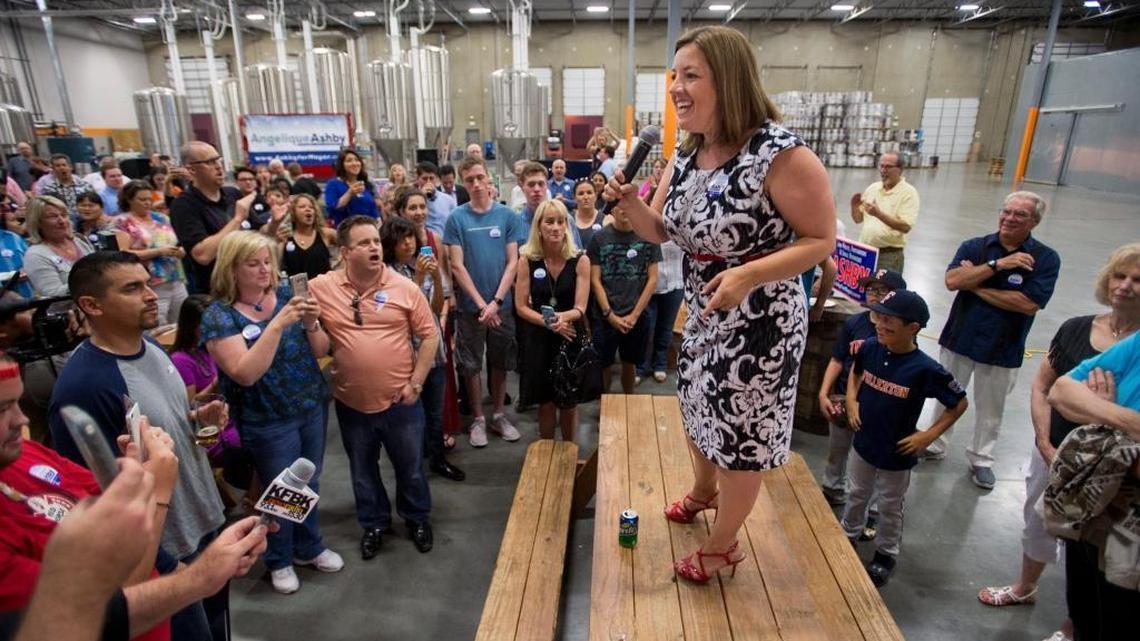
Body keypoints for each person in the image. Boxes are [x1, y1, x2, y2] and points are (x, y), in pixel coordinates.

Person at [604, 26, 836, 584]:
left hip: (760, 321)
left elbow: (821, 240)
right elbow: (660, 231)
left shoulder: (780, 155)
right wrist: (629, 203)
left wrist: (749, 274)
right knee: (697, 406)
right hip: (706, 308)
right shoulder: (688, 153)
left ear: (728, 80)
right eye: (674, 77)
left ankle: (724, 544)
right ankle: (704, 491)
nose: (677, 88)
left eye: (691, 76)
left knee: (740, 436)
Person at [2, 351, 272, 641]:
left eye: (17, 402)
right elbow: (96, 611)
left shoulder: (23, 454)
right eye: (2, 409)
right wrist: (157, 489)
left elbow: (109, 502)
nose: (23, 419)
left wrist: (135, 467)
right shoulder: (81, 385)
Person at [46, 251, 229, 639]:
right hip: (165, 554)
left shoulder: (151, 348)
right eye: (132, 288)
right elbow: (92, 497)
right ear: (91, 305)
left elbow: (165, 425)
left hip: (202, 520)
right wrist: (161, 563)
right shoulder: (84, 387)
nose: (150, 294)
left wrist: (197, 416)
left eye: (147, 283)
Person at [978, 242, 1140, 641]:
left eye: (1138, 280)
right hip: (1063, 458)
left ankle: (1070, 626)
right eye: (1121, 276)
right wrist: (1115, 420)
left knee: (1117, 596)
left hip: (1123, 496)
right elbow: (1055, 390)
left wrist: (1100, 415)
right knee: (1060, 545)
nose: (1127, 286)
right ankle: (1033, 591)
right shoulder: (1084, 331)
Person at [201, 232, 342, 594]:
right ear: (232, 269)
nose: (264, 270)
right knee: (280, 489)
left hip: (310, 404)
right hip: (267, 417)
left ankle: (309, 547)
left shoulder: (283, 294)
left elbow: (322, 349)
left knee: (309, 482)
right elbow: (245, 372)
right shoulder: (219, 316)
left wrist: (311, 322)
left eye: (267, 262)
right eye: (253, 264)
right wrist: (278, 324)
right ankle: (278, 557)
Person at [308, 216, 439, 558]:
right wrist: (309, 324)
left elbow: (430, 336)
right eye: (364, 243)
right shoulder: (321, 288)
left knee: (410, 469)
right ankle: (375, 523)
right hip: (352, 403)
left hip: (401, 401)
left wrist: (417, 383)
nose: (374, 248)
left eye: (376, 242)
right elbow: (318, 345)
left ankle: (417, 518)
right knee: (362, 473)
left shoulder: (404, 287)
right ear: (345, 252)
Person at [932, 191, 1061, 490]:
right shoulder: (976, 247)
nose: (1009, 218)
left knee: (991, 410)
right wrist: (998, 266)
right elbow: (952, 281)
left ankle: (982, 460)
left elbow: (1027, 303)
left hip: (1003, 347)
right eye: (1007, 211)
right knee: (945, 396)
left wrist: (974, 285)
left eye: (1020, 214)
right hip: (960, 339)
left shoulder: (1045, 258)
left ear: (1035, 221)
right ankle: (935, 444)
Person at [841, 290, 968, 586]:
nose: (880, 325)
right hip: (863, 441)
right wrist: (851, 400)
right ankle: (848, 534)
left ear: (913, 327)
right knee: (857, 492)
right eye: (878, 318)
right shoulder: (870, 348)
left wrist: (928, 435)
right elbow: (856, 374)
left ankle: (886, 553)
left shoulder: (925, 369)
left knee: (889, 503)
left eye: (889, 321)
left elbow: (959, 403)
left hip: (896, 452)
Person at [1047, 332, 1140, 641]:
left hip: (1132, 519)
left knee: (1121, 615)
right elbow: (1062, 391)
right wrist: (1127, 422)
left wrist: (1101, 416)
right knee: (1084, 604)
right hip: (1098, 499)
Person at [443, 157, 523, 448]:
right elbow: (457, 267)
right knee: (471, 364)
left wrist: (496, 301)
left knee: (500, 361)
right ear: (464, 183)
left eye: (480, 178)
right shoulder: (456, 219)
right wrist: (481, 305)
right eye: (469, 180)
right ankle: (478, 418)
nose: (476, 184)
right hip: (470, 310)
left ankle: (499, 414)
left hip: (502, 306)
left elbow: (513, 262)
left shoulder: (507, 217)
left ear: (489, 180)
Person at [381, 212, 464, 481]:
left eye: (411, 238)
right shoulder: (386, 274)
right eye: (401, 239)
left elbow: (436, 307)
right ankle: (413, 467)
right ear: (390, 243)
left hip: (434, 351)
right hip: (406, 356)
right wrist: (417, 280)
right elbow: (402, 314)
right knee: (410, 418)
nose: (408, 244)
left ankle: (438, 459)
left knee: (435, 413)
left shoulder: (424, 263)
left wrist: (437, 279)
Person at [816, 268, 906, 506]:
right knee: (838, 448)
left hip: (875, 405)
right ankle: (832, 487)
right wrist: (824, 393)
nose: (874, 295)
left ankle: (871, 504)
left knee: (869, 456)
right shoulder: (855, 322)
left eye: (882, 290)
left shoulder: (898, 331)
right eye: (871, 289)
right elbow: (837, 359)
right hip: (845, 398)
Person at [515, 200, 590, 442]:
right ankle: (547, 454)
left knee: (568, 402)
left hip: (569, 335)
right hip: (539, 337)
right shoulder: (527, 260)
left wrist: (559, 320)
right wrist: (549, 323)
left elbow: (580, 307)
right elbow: (521, 306)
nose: (556, 227)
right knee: (545, 403)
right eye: (550, 221)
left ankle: (570, 451)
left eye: (561, 222)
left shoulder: (580, 260)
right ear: (539, 226)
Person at [170, 294, 252, 493]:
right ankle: (255, 494)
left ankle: (259, 493)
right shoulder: (181, 359)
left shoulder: (212, 346)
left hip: (231, 414)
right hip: (211, 428)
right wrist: (217, 383)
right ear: (192, 327)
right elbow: (189, 405)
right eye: (206, 326)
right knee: (256, 446)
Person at [170, 142, 265, 295]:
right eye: (209, 162)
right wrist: (237, 219)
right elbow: (202, 255)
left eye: (218, 159)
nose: (218, 166)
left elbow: (261, 230)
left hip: (249, 287)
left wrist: (276, 221)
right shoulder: (183, 205)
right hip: (217, 293)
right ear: (191, 169)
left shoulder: (232, 194)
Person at [587, 202, 660, 393]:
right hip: (605, 315)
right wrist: (609, 314)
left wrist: (635, 315)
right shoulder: (598, 238)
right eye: (619, 206)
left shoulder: (647, 237)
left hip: (636, 315)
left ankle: (629, 403)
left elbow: (652, 279)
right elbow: (595, 280)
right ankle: (605, 404)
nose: (624, 209)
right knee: (604, 363)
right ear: (612, 209)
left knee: (630, 362)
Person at [115, 180, 189, 324]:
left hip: (176, 278)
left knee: (182, 323)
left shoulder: (161, 218)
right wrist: (158, 251)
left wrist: (180, 251)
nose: (147, 203)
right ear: (129, 200)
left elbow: (176, 242)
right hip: (151, 283)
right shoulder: (122, 222)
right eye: (142, 199)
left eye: (150, 199)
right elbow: (122, 253)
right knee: (157, 325)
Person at [850, 152, 918, 274]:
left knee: (883, 291)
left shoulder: (909, 193)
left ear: (900, 169)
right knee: (863, 290)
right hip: (866, 252)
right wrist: (854, 207)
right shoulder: (873, 188)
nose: (883, 170)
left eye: (888, 167)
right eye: (881, 166)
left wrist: (879, 214)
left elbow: (905, 226)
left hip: (888, 256)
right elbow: (858, 219)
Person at [23, 195, 94, 297]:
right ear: (38, 223)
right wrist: (93, 282)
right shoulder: (35, 255)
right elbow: (52, 295)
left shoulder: (80, 241)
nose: (62, 221)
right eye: (53, 216)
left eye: (64, 215)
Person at [637, 238, 684, 385]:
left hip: (675, 282)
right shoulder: (647, 226)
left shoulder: (678, 227)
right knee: (646, 327)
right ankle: (640, 366)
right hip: (648, 285)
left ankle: (660, 364)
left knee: (666, 327)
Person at [519, 162, 582, 249]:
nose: (537, 189)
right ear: (522, 187)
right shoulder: (515, 223)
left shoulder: (566, 219)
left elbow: (577, 254)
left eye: (541, 184)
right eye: (531, 184)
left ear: (547, 186)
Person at [280, 194, 336, 279]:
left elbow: (350, 243)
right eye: (302, 207)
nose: (308, 209)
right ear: (293, 212)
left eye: (311, 207)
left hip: (322, 289)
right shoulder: (286, 236)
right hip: (295, 290)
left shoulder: (325, 234)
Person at [325, 149, 379, 225]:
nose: (354, 163)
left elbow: (374, 211)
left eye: (357, 160)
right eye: (349, 161)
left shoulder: (366, 184)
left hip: (368, 230)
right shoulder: (333, 184)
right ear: (341, 165)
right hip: (346, 231)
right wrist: (349, 193)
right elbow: (332, 210)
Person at [414, 161, 456, 235]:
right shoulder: (412, 199)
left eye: (431, 178)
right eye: (425, 179)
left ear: (436, 178)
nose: (428, 182)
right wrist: (422, 196)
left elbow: (455, 224)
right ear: (418, 179)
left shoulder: (448, 200)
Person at [572, 179, 604, 254]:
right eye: (581, 193)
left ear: (596, 195)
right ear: (574, 198)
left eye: (589, 193)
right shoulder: (567, 220)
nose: (586, 197)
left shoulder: (607, 220)